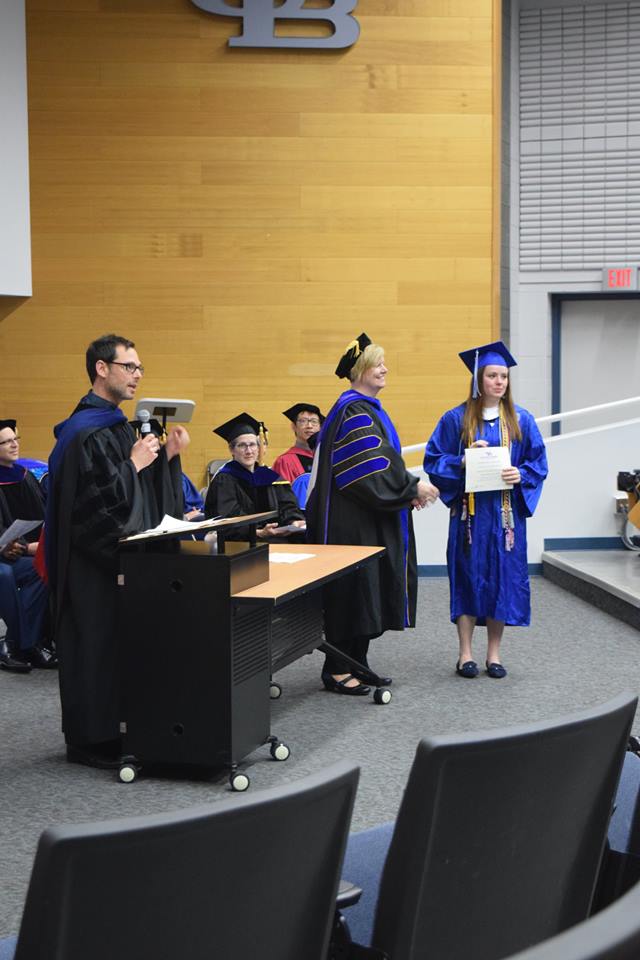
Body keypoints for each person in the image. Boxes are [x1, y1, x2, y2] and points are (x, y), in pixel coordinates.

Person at [45, 334, 188, 768]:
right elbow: (95, 506)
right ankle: (91, 742)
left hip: (118, 562)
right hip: (90, 566)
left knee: (119, 647)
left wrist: (167, 460)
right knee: (95, 647)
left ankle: (123, 728)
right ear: (102, 369)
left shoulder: (117, 427)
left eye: (140, 368)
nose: (137, 375)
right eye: (129, 367)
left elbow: (137, 493)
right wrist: (134, 465)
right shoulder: (82, 433)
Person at [306, 333, 439, 695]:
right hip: (351, 523)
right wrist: (411, 488)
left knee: (367, 591)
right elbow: (368, 466)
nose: (385, 369)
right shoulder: (353, 411)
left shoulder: (364, 409)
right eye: (378, 363)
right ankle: (336, 670)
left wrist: (404, 492)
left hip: (365, 517)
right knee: (354, 592)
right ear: (360, 369)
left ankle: (356, 663)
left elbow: (379, 462)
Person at [424, 340, 548, 679]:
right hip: (470, 517)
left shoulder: (521, 419)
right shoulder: (455, 419)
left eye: (504, 376)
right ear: (478, 379)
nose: (499, 382)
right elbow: (433, 461)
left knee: (501, 582)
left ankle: (494, 654)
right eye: (492, 375)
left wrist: (521, 474)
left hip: (506, 519)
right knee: (466, 578)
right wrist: (463, 459)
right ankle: (465, 653)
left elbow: (538, 462)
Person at [0, 419, 51, 672]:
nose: (14, 445)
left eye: (15, 439)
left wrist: (34, 545)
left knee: (43, 568)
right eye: (6, 442)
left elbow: (42, 513)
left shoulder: (24, 475)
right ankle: (23, 643)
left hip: (19, 551)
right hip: (3, 556)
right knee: (5, 575)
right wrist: (19, 547)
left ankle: (14, 643)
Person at [204, 412, 305, 539]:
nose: (249, 451)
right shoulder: (224, 480)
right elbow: (226, 520)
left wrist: (293, 521)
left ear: (259, 448)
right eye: (242, 445)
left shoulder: (270, 476)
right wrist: (258, 532)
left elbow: (287, 506)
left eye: (252, 445)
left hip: (276, 537)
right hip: (240, 543)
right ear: (231, 450)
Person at [272, 403, 324, 483]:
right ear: (294, 426)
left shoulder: (326, 457)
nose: (309, 426)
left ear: (320, 427)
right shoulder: (284, 461)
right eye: (303, 421)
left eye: (314, 421)